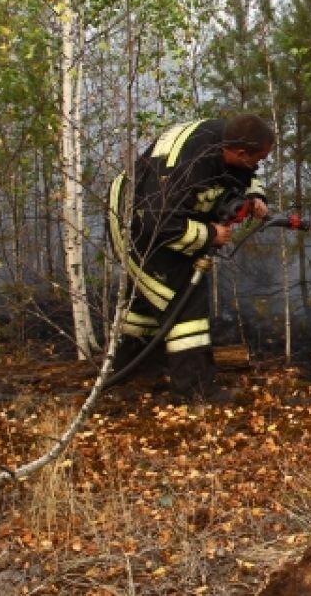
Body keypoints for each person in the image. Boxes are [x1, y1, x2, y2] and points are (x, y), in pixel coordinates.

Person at [106, 113, 274, 402]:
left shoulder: (228, 138)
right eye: (257, 158)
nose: (258, 165)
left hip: (159, 214)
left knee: (147, 305)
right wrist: (210, 234)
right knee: (185, 303)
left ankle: (135, 374)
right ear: (240, 152)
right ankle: (194, 391)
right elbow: (159, 222)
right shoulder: (188, 167)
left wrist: (256, 198)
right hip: (136, 223)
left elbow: (243, 176)